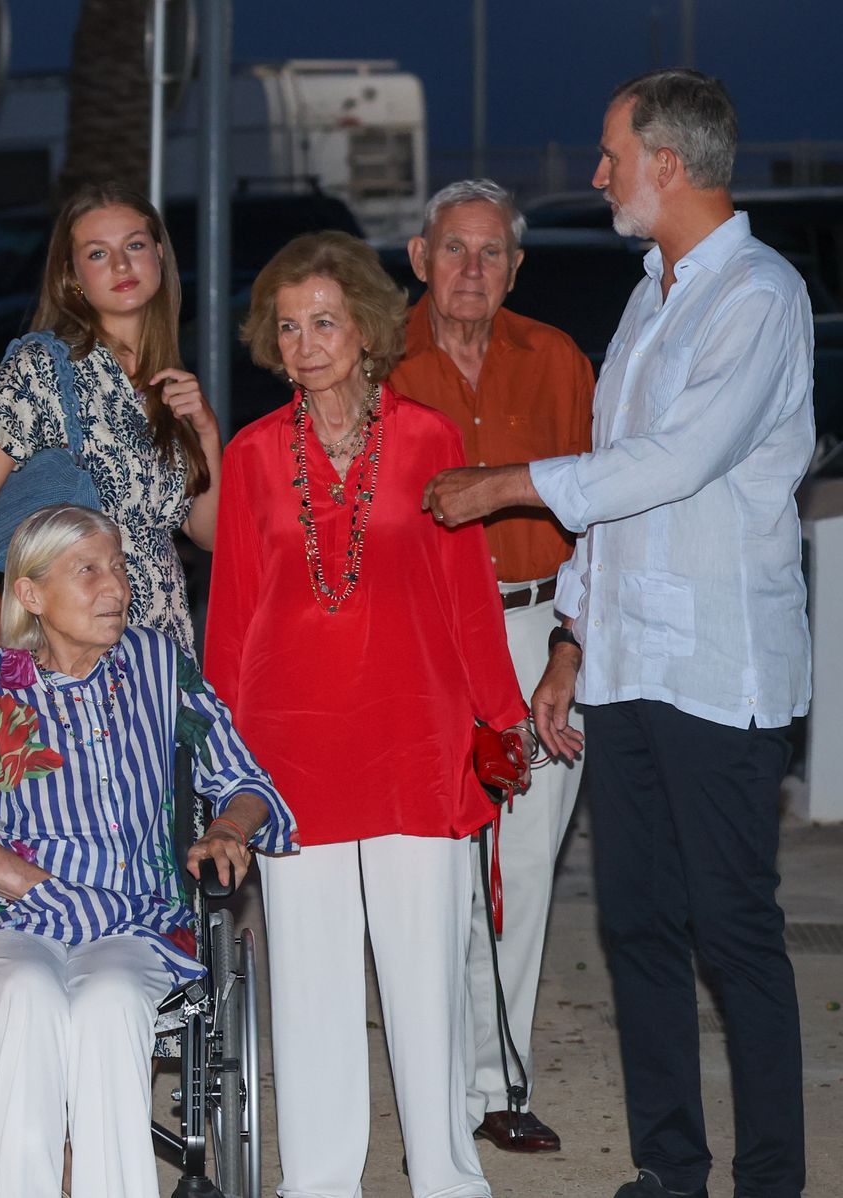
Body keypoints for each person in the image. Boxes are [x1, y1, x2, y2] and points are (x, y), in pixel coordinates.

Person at [423, 69, 812, 1198]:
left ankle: (772, 1179)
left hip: (719, 669)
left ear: (667, 165)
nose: (594, 176)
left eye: (608, 155)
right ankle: (669, 1170)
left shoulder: (757, 294)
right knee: (637, 927)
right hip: (627, 665)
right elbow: (617, 503)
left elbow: (671, 464)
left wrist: (505, 483)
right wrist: (570, 642)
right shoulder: (650, 295)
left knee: (732, 932)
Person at [204, 231, 531, 1198]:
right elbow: (230, 619)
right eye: (289, 326)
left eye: (325, 322)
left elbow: (468, 594)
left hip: (413, 741)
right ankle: (318, 1183)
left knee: (426, 981)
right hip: (289, 751)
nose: (306, 342)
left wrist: (503, 721)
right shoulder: (254, 454)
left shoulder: (430, 438)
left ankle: (446, 1179)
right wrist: (220, 760)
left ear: (367, 328)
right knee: (310, 993)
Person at [0, 504, 296, 1198]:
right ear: (30, 594)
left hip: (135, 917)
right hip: (10, 914)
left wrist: (230, 829)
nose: (114, 588)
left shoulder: (157, 666)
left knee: (110, 1001)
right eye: (87, 572)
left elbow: (244, 779)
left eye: (118, 568)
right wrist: (47, 892)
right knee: (24, 995)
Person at [390, 178, 594, 1155]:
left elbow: (605, 511)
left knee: (523, 865)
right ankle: (438, 1073)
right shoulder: (378, 358)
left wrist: (571, 645)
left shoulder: (556, 360)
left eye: (492, 253)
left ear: (516, 266)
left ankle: (497, 1080)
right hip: (425, 640)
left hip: (538, 628)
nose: (472, 270)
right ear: (419, 257)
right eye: (453, 249)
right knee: (439, 870)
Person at [0, 182, 221, 657]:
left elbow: (205, 536)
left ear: (159, 254)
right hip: (71, 651)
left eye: (134, 245)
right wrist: (4, 645)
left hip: (162, 648)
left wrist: (207, 434)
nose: (122, 265)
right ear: (72, 276)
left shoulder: (169, 379)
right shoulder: (43, 367)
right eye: (97, 253)